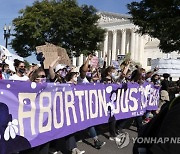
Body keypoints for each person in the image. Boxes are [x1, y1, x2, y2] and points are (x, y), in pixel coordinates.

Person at [77, 54, 106, 149]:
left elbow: (99, 78)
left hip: (87, 105)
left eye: (90, 69)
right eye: (87, 69)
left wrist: (97, 69)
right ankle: (95, 140)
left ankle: (81, 137)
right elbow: (84, 70)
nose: (89, 70)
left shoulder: (89, 80)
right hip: (80, 105)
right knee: (88, 123)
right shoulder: (81, 79)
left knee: (87, 122)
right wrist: (87, 60)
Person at [20, 67, 49, 154]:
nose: (42, 78)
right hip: (30, 120)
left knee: (44, 142)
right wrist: (32, 81)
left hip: (43, 119)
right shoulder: (28, 85)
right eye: (40, 76)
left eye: (44, 76)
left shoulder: (47, 87)